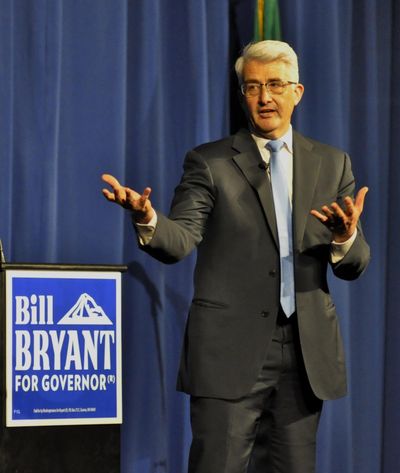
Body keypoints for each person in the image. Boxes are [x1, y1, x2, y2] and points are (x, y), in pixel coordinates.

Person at [102, 40, 370, 473]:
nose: (265, 97)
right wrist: (148, 217)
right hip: (228, 352)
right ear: (242, 94)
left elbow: (356, 264)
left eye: (275, 85)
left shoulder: (332, 163)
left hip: (304, 357)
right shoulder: (210, 163)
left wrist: (346, 236)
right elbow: (180, 239)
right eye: (252, 87)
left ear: (296, 92)